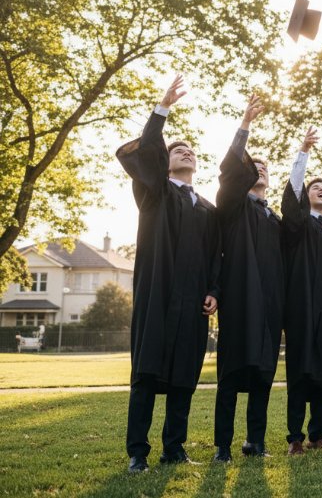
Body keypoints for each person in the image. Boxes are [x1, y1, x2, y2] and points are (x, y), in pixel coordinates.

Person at [115, 75, 221, 473]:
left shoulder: (208, 209)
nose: (186, 153)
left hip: (193, 301)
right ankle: (138, 452)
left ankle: (173, 447)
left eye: (191, 150)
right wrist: (161, 110)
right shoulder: (154, 193)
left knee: (183, 377)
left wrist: (214, 290)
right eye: (179, 149)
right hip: (157, 295)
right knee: (146, 372)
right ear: (166, 160)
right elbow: (148, 155)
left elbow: (216, 256)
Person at [212, 94, 285, 462]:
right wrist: (244, 125)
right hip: (240, 303)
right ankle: (223, 447)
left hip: (269, 308)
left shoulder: (275, 220)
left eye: (265, 169)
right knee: (229, 377)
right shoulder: (232, 206)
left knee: (263, 379)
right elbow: (229, 172)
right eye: (253, 167)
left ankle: (255, 441)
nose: (260, 172)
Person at [280, 126, 322, 455]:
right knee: (300, 373)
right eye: (314, 187)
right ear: (307, 196)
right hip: (302, 309)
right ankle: (295, 437)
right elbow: (291, 200)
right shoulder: (299, 226)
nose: (320, 190)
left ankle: (318, 435)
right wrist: (303, 152)